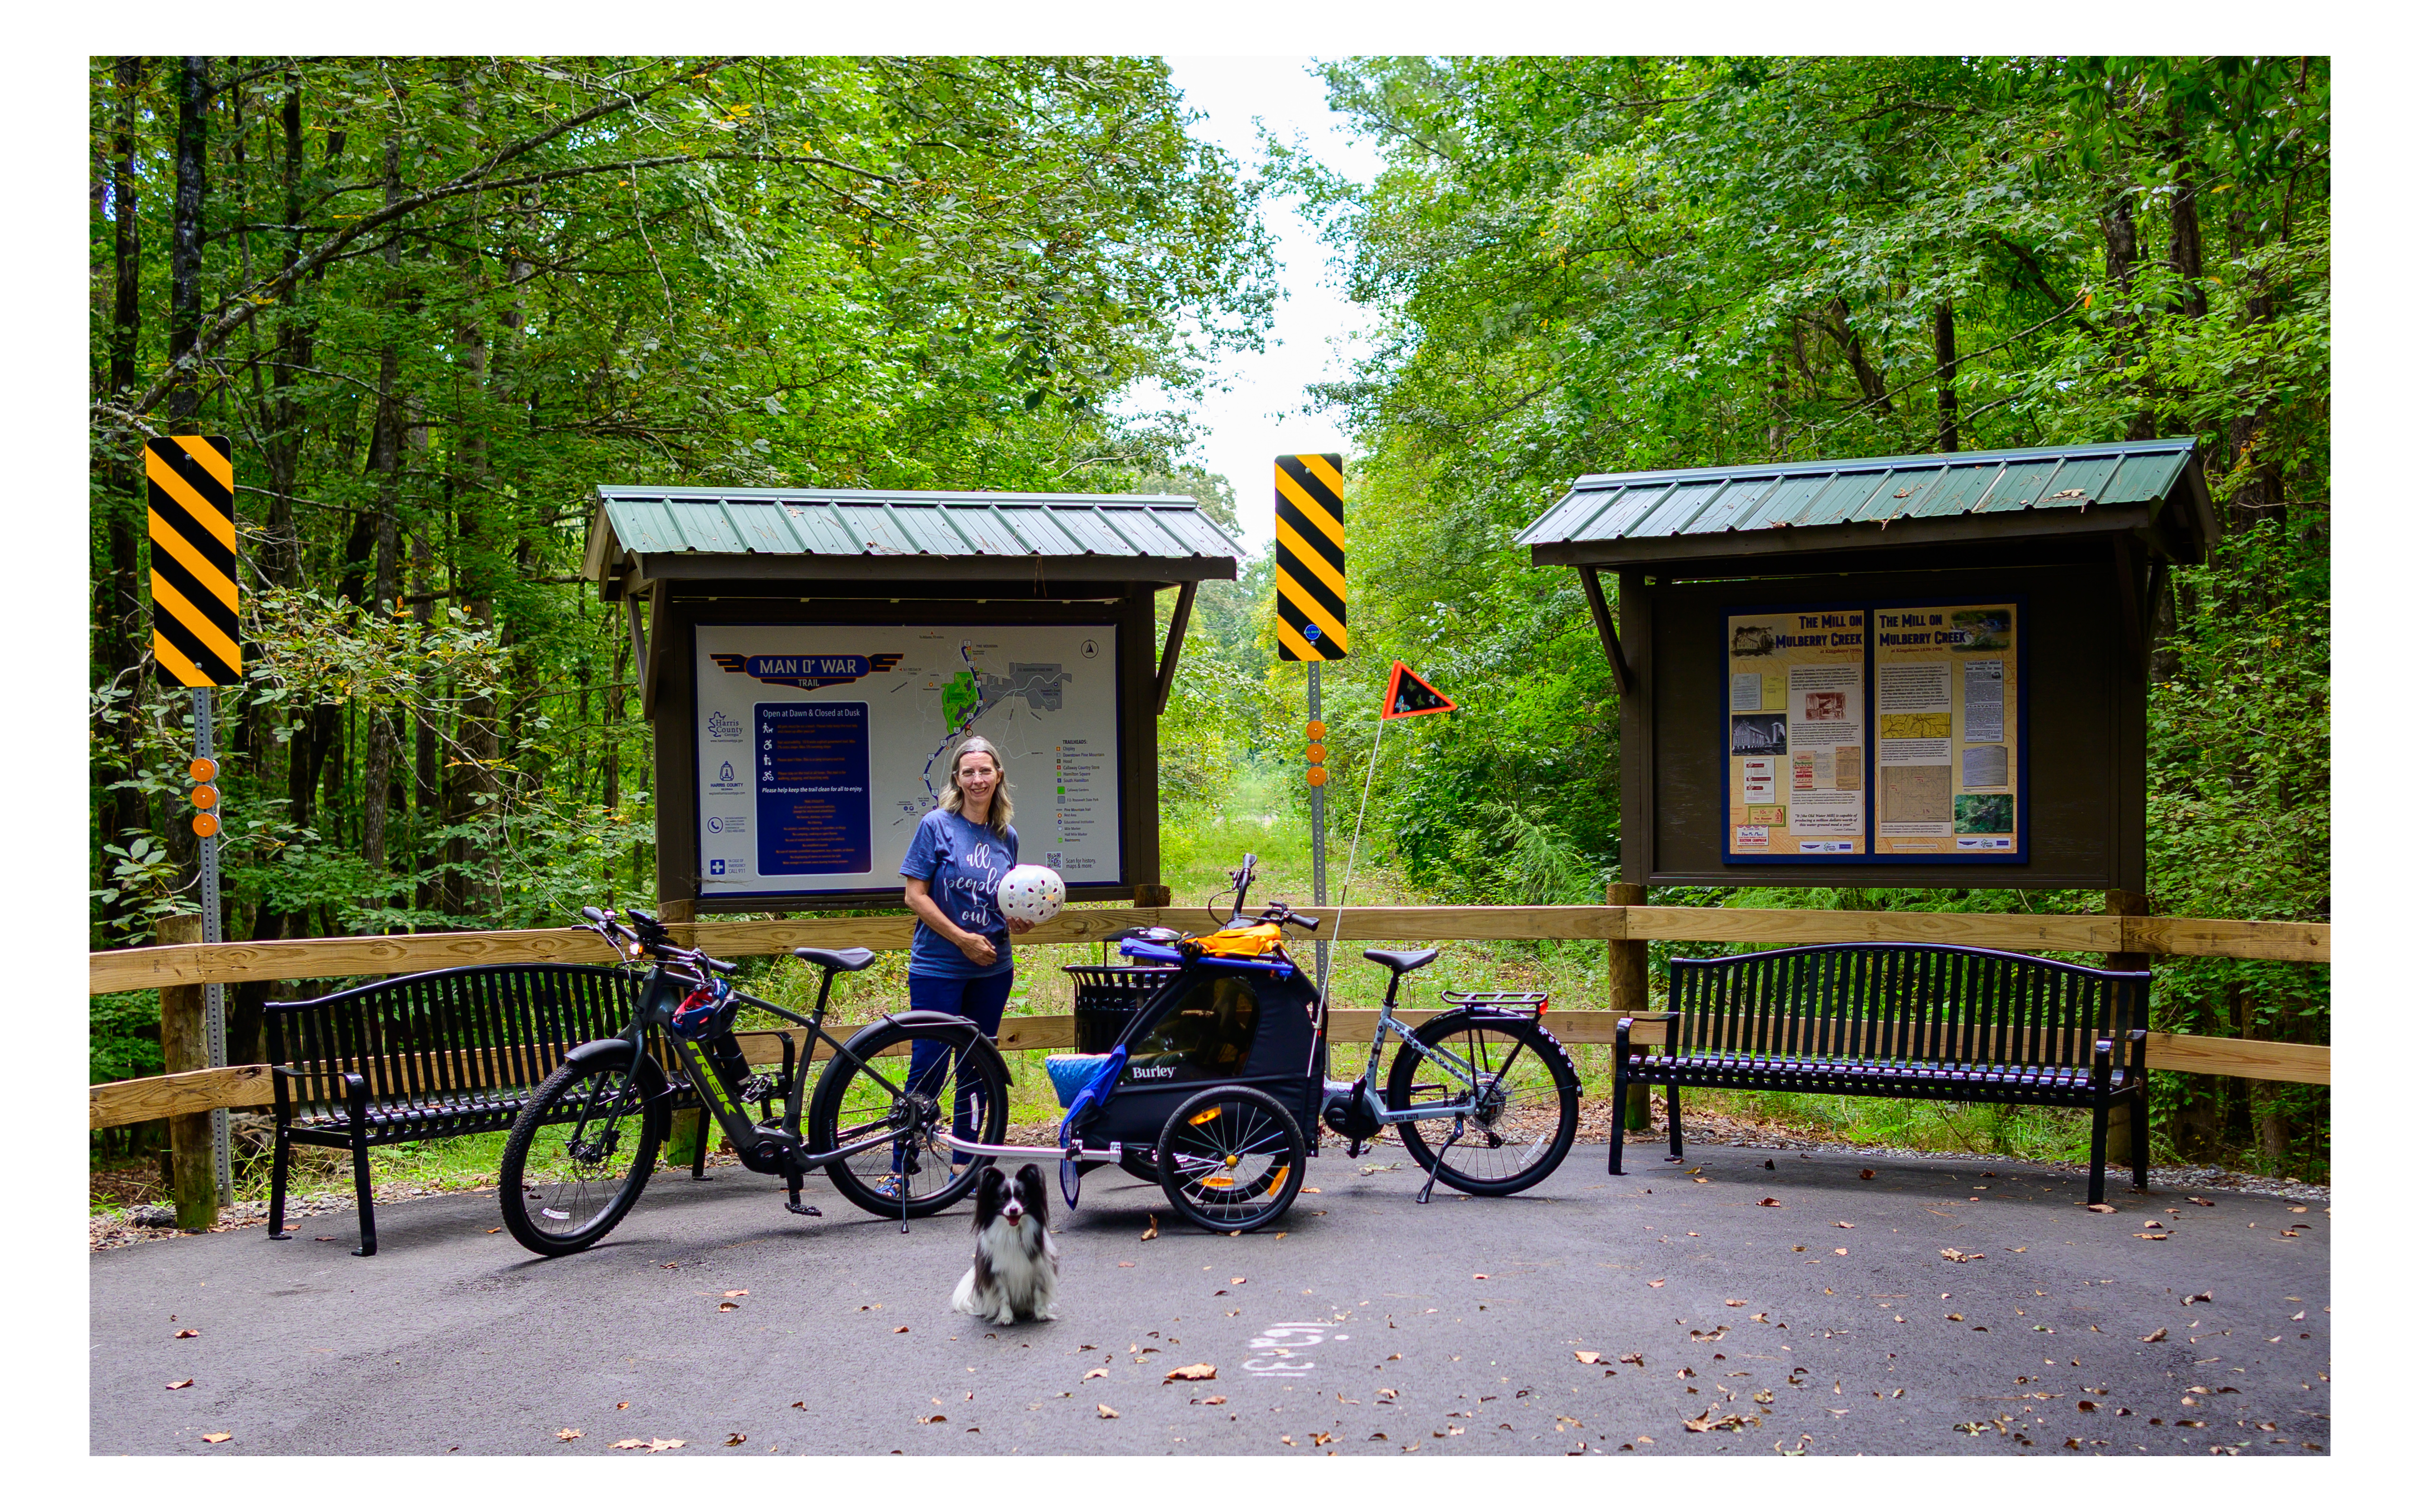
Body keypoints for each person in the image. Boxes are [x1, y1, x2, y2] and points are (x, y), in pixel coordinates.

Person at [894, 736, 1032, 1183]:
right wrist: (962, 939)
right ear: (956, 778)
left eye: (985, 771)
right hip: (939, 966)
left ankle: (965, 1164)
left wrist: (1018, 921)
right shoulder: (937, 825)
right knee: (929, 1062)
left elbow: (1005, 900)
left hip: (993, 969)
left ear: (998, 776)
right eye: (968, 772)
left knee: (977, 1065)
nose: (977, 780)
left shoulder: (1006, 835)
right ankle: (901, 1164)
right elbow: (915, 896)